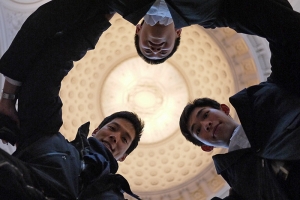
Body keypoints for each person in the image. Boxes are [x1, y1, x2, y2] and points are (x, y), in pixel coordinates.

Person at [0, 0, 144, 199]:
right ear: (95, 131)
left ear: (124, 155)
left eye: (124, 139)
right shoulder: (45, 133)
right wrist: (100, 20)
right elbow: (51, 66)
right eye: (112, 128)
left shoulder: (114, 192)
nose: (115, 137)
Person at [178, 0, 300, 198]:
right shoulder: (240, 185)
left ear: (224, 109)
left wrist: (214, 11)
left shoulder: (271, 95)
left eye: (205, 114)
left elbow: (283, 28)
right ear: (206, 145)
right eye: (198, 130)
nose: (206, 125)